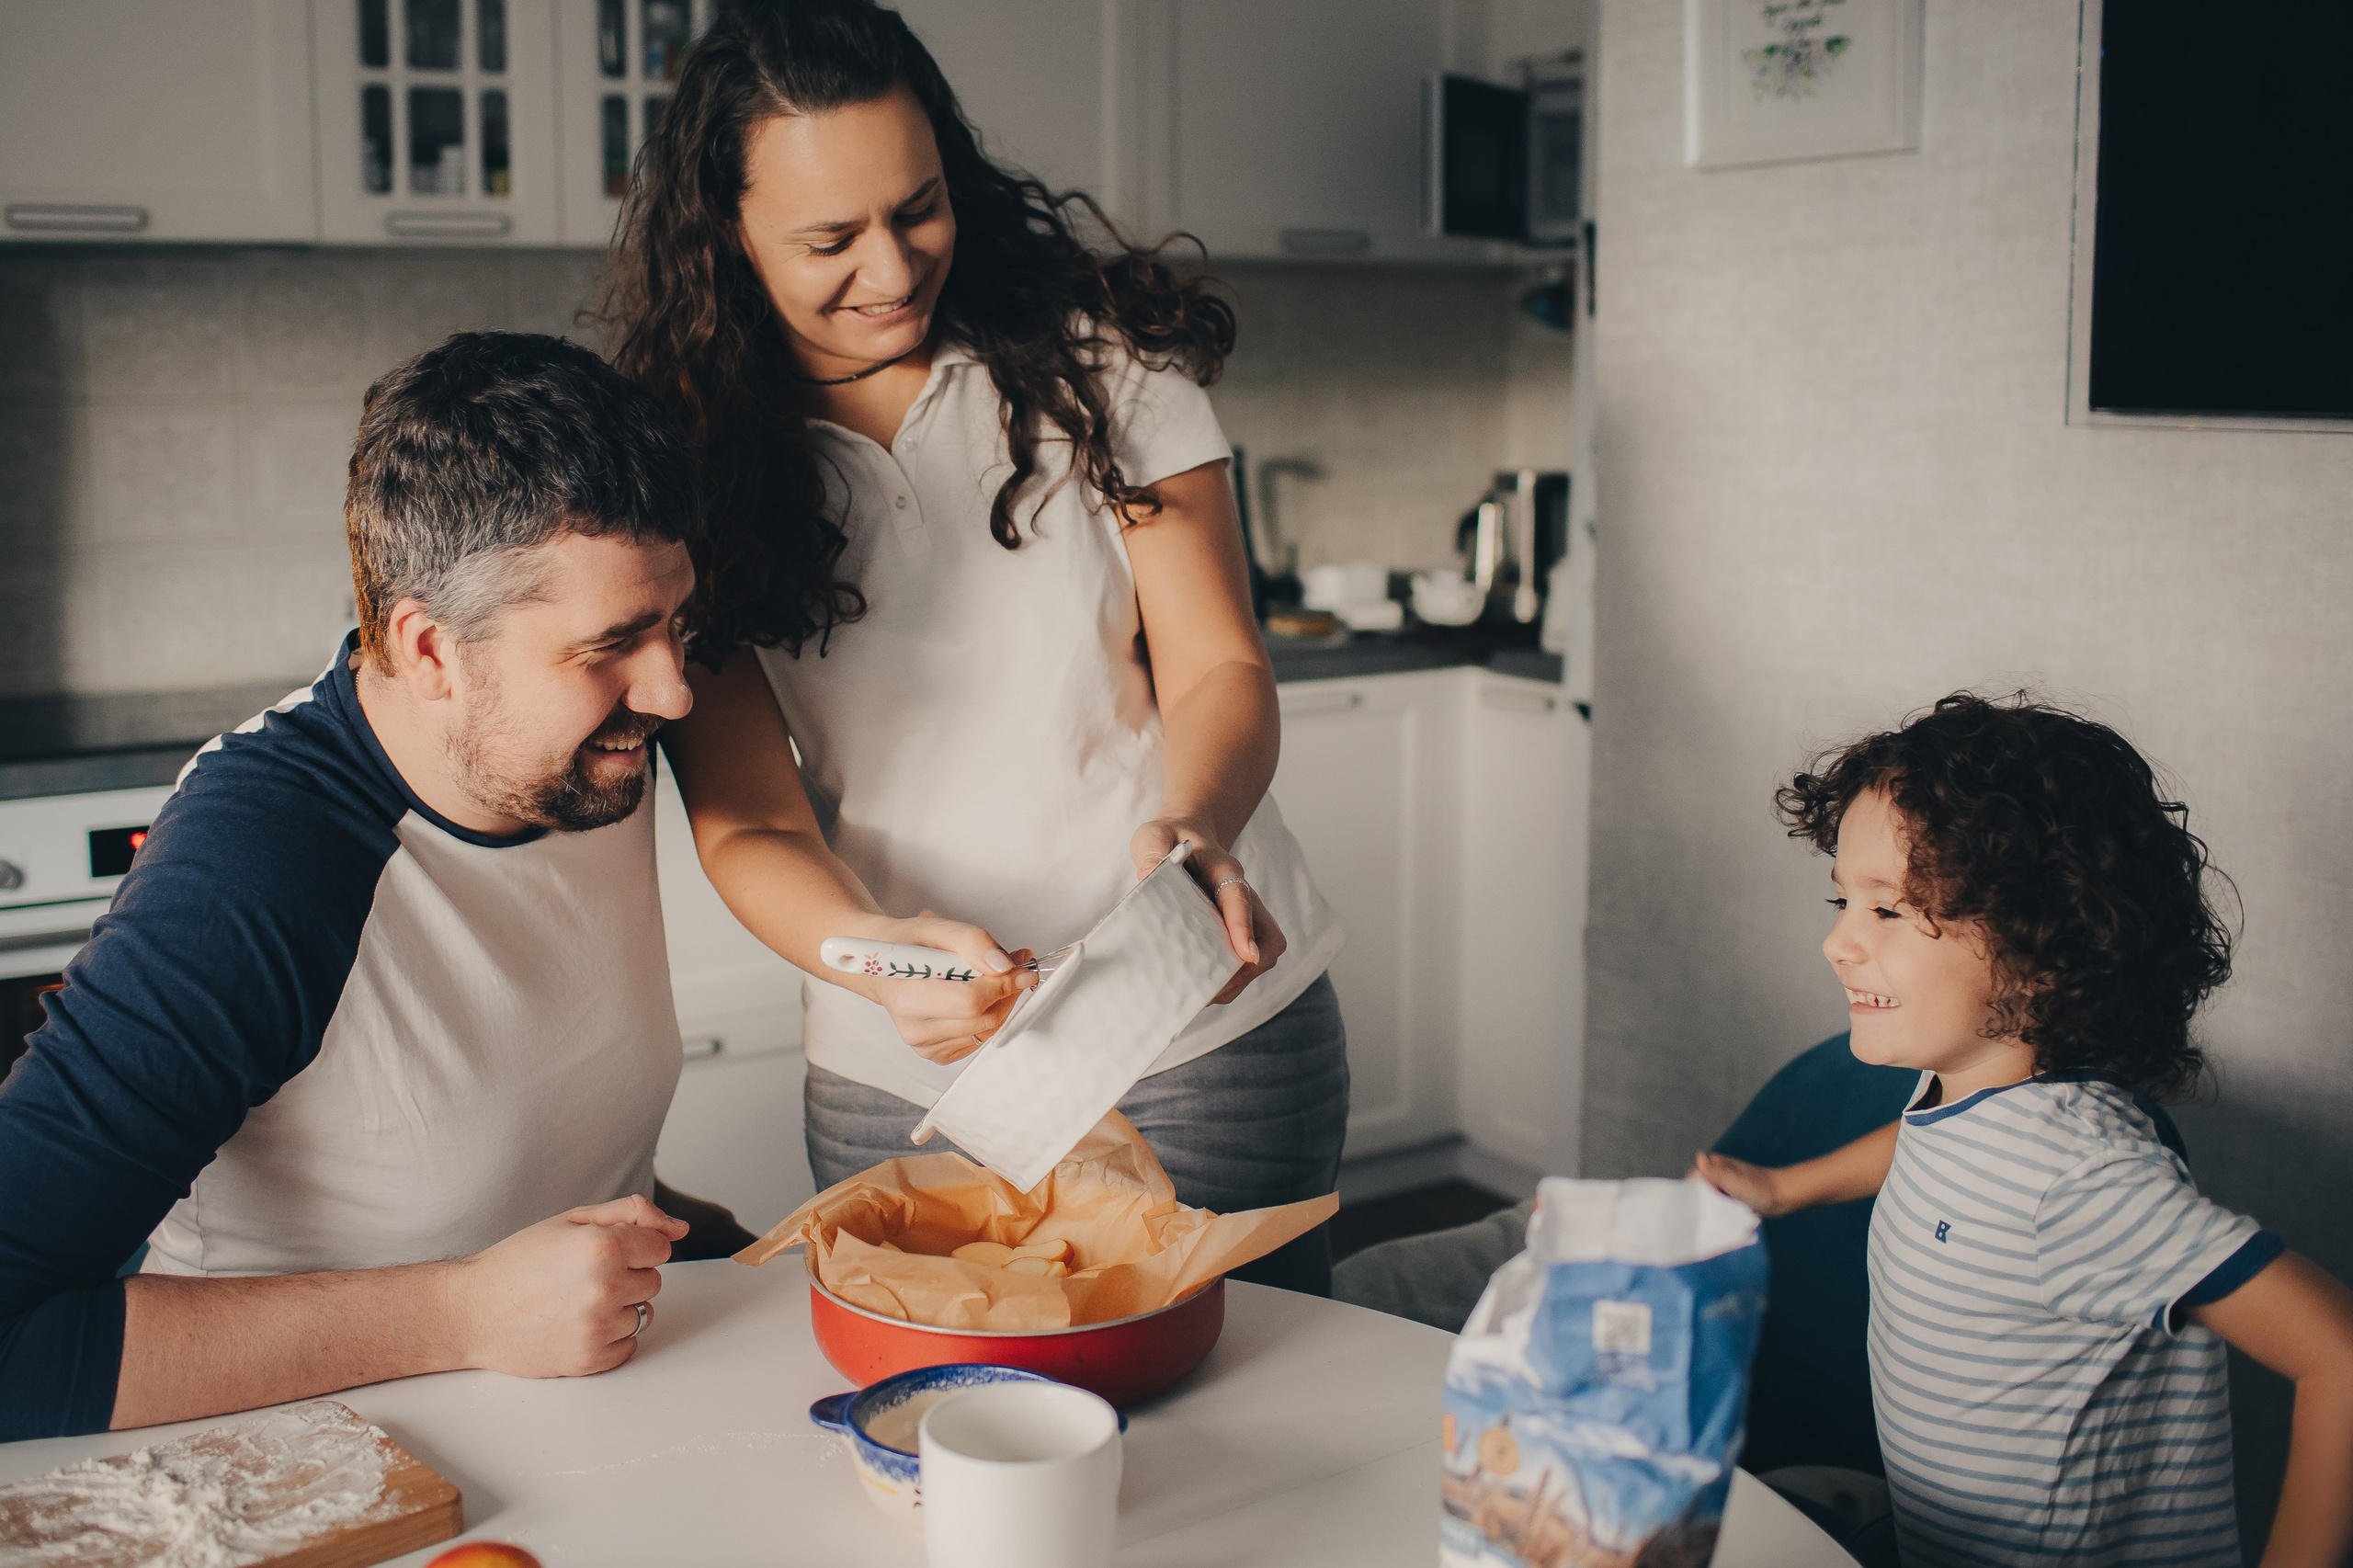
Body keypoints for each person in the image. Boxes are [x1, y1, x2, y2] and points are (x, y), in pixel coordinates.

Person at [603, 0, 1348, 1290]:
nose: (891, 268)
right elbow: (750, 822)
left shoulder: (1102, 359)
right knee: (943, 1430)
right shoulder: (686, 460)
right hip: (904, 1069)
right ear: (726, 234)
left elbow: (1220, 663)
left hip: (1195, 1018)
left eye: (918, 208)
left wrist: (1194, 830)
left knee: (1257, 1422)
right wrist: (875, 962)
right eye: (830, 238)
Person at [0, 332, 753, 1440]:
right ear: (432, 650)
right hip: (311, 1461)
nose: (675, 690)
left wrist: (711, 1246)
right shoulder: (259, 867)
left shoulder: (576, 755)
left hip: (576, 1422)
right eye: (615, 643)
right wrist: (463, 1312)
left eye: (675, 621)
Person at [1695, 693, 2353, 1567]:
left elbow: (2337, 1356)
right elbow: (1930, 1152)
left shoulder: (2084, 1179)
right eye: (1841, 902)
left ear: (2045, 952)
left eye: (1886, 911)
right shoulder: (1965, 1087)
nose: (1837, 944)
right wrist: (1785, 1188)